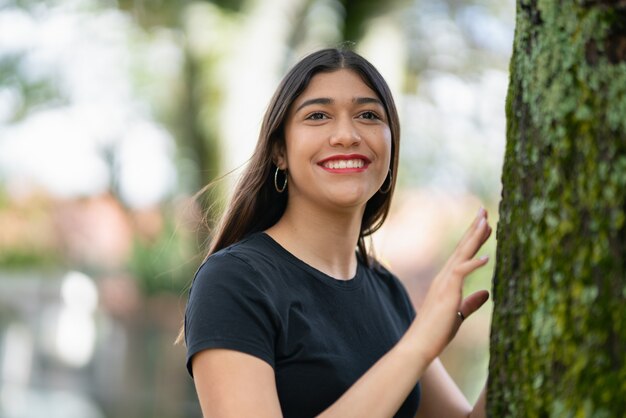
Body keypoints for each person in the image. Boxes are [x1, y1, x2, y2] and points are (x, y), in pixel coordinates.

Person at [183, 47, 492, 418]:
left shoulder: (386, 289)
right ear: (279, 150)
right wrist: (417, 345)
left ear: (391, 146)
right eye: (318, 115)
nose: (346, 135)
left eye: (368, 115)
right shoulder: (234, 281)